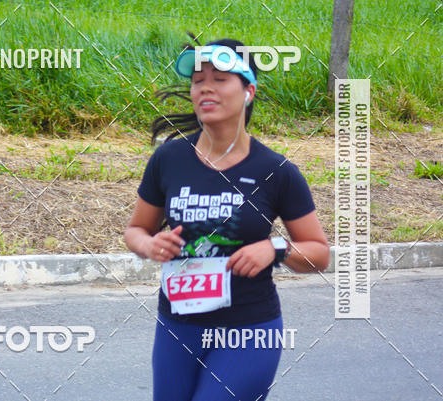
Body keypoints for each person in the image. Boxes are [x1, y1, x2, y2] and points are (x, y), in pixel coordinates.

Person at [123, 38, 330, 401]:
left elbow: (319, 253)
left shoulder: (276, 170)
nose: (205, 87)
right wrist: (150, 244)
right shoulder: (168, 160)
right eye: (197, 80)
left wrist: (275, 248)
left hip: (249, 330)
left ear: (249, 91)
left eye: (219, 79)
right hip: (177, 326)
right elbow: (136, 230)